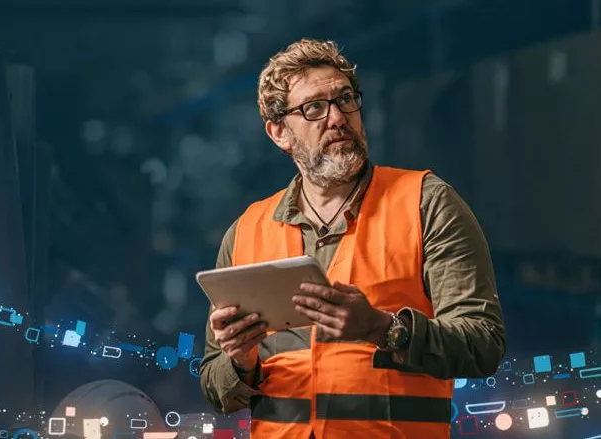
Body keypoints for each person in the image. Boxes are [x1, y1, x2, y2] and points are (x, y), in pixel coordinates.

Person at [198, 38, 506, 439]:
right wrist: (240, 360)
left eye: (345, 99)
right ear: (278, 132)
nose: (338, 118)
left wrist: (384, 329)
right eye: (313, 108)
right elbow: (214, 386)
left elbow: (484, 344)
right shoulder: (246, 230)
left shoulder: (426, 202)